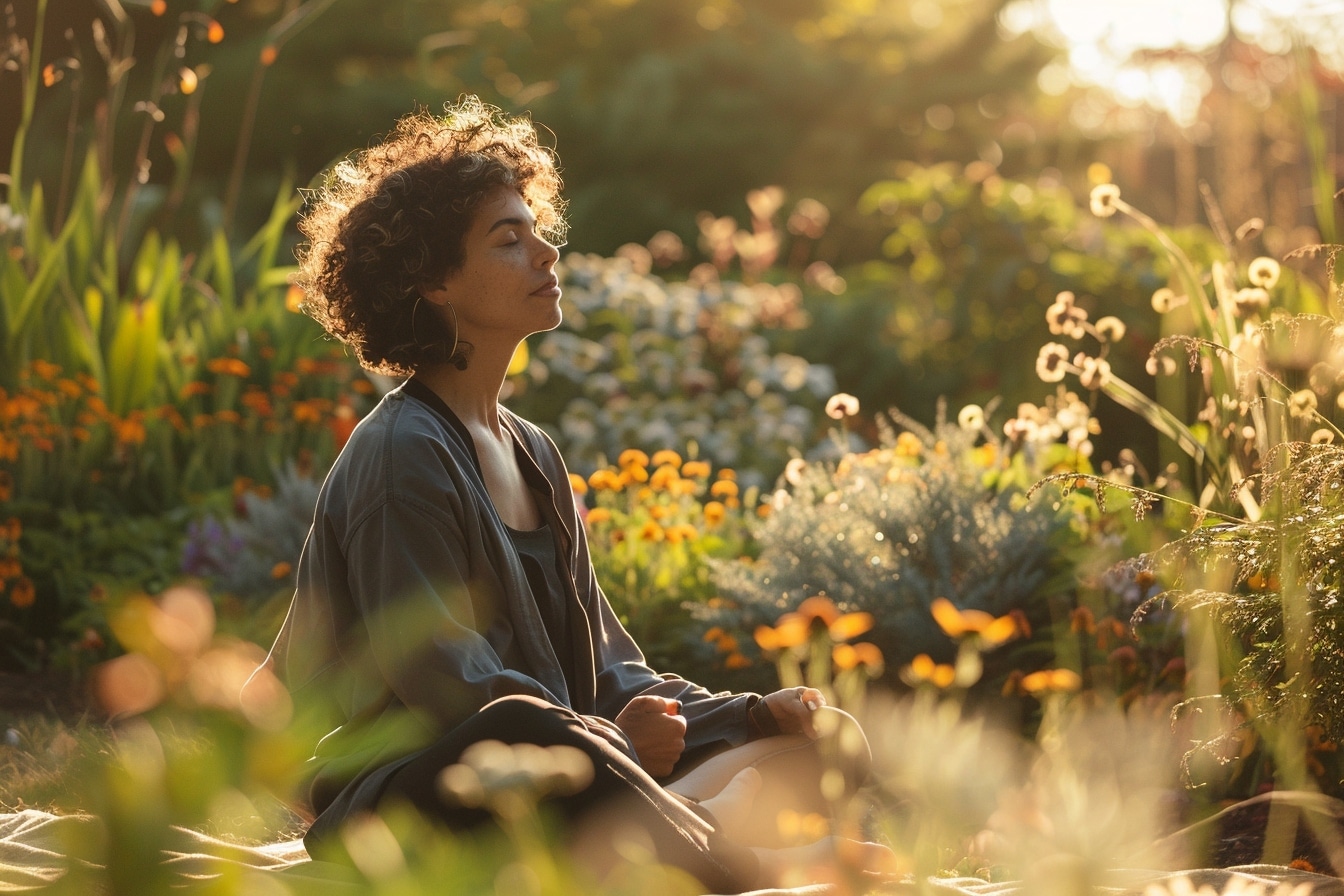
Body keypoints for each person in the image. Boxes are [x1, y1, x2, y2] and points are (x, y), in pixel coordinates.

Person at [249, 97, 892, 894]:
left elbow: (611, 672)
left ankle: (679, 826)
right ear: (432, 281)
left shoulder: (533, 452)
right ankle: (737, 859)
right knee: (524, 727)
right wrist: (607, 743)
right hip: (409, 807)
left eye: (536, 230)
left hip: (570, 772)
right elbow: (451, 690)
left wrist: (755, 714)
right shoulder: (400, 455)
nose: (546, 253)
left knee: (827, 742)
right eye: (508, 241)